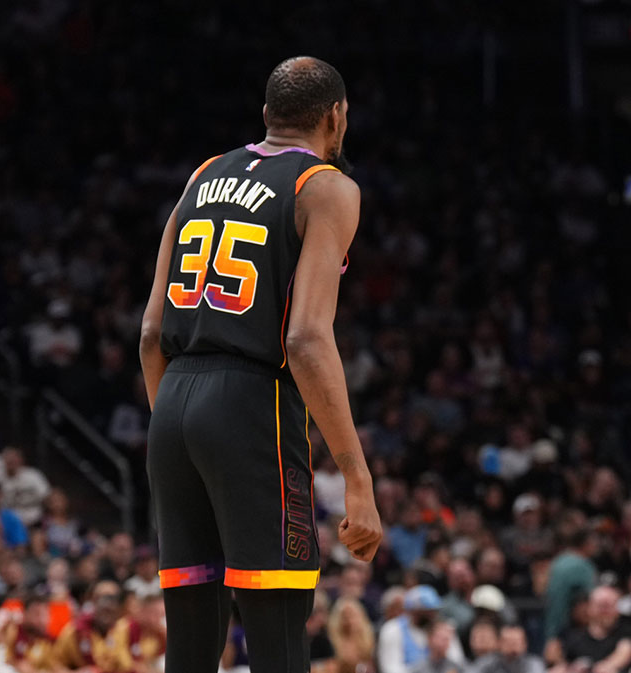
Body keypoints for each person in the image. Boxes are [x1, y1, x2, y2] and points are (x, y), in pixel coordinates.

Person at [139, 56, 383, 673]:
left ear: (267, 115)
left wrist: (183, 433)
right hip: (251, 404)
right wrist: (357, 477)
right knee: (277, 634)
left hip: (172, 404)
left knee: (191, 645)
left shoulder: (202, 175)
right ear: (336, 116)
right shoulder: (326, 186)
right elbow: (305, 339)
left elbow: (148, 332)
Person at [378, 586, 466, 673]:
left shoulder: (444, 628)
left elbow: (457, 661)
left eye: (434, 611)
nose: (432, 615)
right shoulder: (393, 629)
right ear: (413, 611)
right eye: (427, 611)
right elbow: (391, 668)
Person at [558, 586, 631, 673]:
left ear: (617, 609)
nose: (605, 612)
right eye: (601, 606)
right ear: (590, 608)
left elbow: (622, 656)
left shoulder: (627, 632)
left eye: (609, 606)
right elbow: (562, 664)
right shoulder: (574, 636)